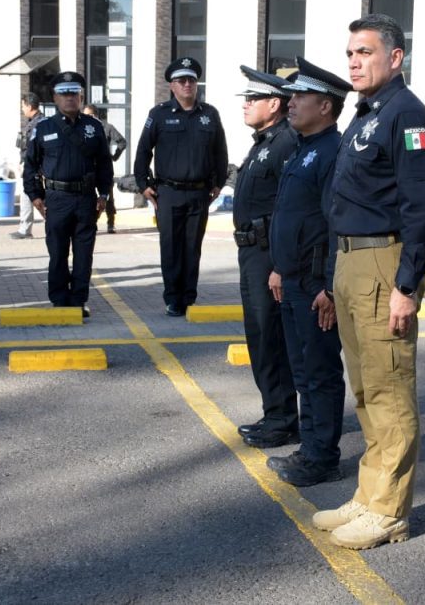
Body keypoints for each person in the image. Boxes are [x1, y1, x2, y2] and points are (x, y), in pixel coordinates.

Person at [312, 14, 425, 550]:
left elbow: (424, 212)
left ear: (395, 57)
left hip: (383, 265)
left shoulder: (408, 117)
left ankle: (389, 511)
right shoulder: (367, 114)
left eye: (364, 52)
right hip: (349, 263)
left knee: (389, 390)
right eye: (350, 53)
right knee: (365, 388)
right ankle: (369, 496)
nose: (353, 61)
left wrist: (407, 286)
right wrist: (330, 277)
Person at [266, 57, 351, 486]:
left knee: (319, 370)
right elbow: (291, 215)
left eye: (301, 96)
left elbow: (333, 225)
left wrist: (328, 287)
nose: (291, 102)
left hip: (315, 284)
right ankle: (310, 448)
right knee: (303, 368)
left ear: (326, 107)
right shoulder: (303, 149)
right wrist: (280, 268)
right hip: (293, 278)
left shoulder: (333, 152)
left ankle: (323, 457)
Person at [228, 65, 299, 449]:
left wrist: (279, 265)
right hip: (252, 251)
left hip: (267, 253)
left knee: (270, 337)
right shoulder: (264, 141)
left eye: (253, 99)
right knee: (259, 336)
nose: (246, 105)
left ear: (274, 103)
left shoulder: (285, 142)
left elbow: (288, 210)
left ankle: (283, 418)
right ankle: (275, 411)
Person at [133, 56, 228, 316]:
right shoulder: (159, 114)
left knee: (192, 246)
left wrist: (219, 182)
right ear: (172, 86)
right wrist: (143, 184)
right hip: (169, 192)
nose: (187, 84)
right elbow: (143, 151)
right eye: (181, 80)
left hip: (199, 192)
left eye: (192, 80)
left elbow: (220, 151)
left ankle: (189, 296)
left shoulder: (209, 114)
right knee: (171, 246)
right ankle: (173, 298)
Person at [24, 72, 113, 317]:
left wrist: (104, 193)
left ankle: (78, 300)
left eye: (73, 93)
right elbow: (30, 165)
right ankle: (59, 300)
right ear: (54, 97)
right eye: (63, 94)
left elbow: (105, 164)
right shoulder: (43, 128)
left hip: (86, 199)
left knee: (84, 254)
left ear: (81, 96)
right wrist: (35, 196)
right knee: (58, 252)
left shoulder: (93, 127)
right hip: (56, 199)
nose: (69, 98)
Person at [83, 103, 127, 234]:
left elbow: (122, 142)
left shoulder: (107, 127)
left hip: (104, 167)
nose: (86, 117)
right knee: (89, 196)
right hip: (89, 167)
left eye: (88, 115)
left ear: (95, 114)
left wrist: (114, 157)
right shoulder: (82, 127)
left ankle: (111, 223)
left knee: (107, 196)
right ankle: (92, 222)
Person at [11, 92, 44, 240]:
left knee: (37, 197)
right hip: (29, 166)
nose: (22, 109)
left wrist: (27, 164)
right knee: (29, 196)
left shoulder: (40, 123)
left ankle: (56, 225)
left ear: (30, 106)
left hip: (35, 168)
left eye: (23, 106)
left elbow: (35, 148)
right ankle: (25, 229)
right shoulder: (32, 122)